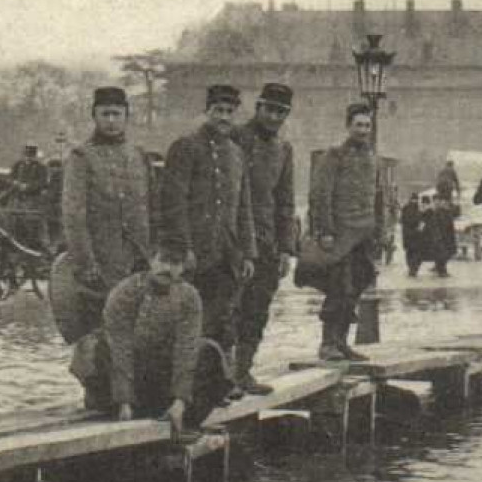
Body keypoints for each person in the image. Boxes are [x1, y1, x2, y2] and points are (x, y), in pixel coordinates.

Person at [160, 84, 258, 393]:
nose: (224, 117)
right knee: (188, 320)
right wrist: (182, 248)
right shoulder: (185, 147)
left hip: (226, 252)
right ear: (207, 111)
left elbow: (243, 207)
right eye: (219, 111)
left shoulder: (237, 154)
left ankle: (220, 383)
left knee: (224, 319)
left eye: (230, 112)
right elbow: (173, 202)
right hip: (193, 253)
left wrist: (246, 252)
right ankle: (183, 387)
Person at [56, 86, 154, 392]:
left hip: (137, 259)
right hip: (100, 259)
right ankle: (97, 392)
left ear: (127, 116)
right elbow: (73, 214)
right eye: (105, 114)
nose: (111, 121)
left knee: (135, 327)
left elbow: (151, 206)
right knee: (97, 331)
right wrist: (85, 262)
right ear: (94, 116)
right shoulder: (81, 157)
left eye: (117, 114)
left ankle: (126, 393)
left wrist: (153, 255)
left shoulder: (138, 156)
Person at [94, 252, 229, 434]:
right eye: (163, 260)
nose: (167, 268)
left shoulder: (189, 296)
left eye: (175, 263)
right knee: (93, 348)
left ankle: (183, 419)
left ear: (182, 268)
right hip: (128, 373)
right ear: (151, 261)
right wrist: (124, 400)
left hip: (162, 374)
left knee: (209, 350)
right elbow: (120, 346)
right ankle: (122, 406)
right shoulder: (125, 291)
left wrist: (180, 401)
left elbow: (186, 349)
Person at [231, 82, 297, 396]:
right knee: (228, 308)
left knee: (257, 309)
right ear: (258, 108)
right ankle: (220, 375)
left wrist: (286, 248)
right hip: (233, 240)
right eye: (269, 109)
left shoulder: (283, 150)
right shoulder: (235, 140)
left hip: (267, 242)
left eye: (281, 112)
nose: (274, 117)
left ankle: (242, 371)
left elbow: (285, 201)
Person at [305, 102, 385, 361]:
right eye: (358, 125)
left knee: (356, 287)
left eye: (367, 125)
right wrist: (325, 230)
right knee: (338, 287)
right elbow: (321, 194)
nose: (363, 130)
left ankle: (342, 342)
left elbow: (377, 198)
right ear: (348, 126)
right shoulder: (334, 156)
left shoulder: (372, 159)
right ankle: (327, 343)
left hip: (363, 235)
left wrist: (379, 231)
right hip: (340, 235)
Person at [400, 193, 425, 277]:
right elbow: (415, 220)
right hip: (414, 235)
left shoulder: (408, 208)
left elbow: (402, 221)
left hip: (409, 236)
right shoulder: (414, 209)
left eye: (416, 200)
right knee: (414, 253)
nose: (415, 201)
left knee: (411, 253)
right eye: (414, 199)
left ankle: (412, 268)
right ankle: (413, 269)